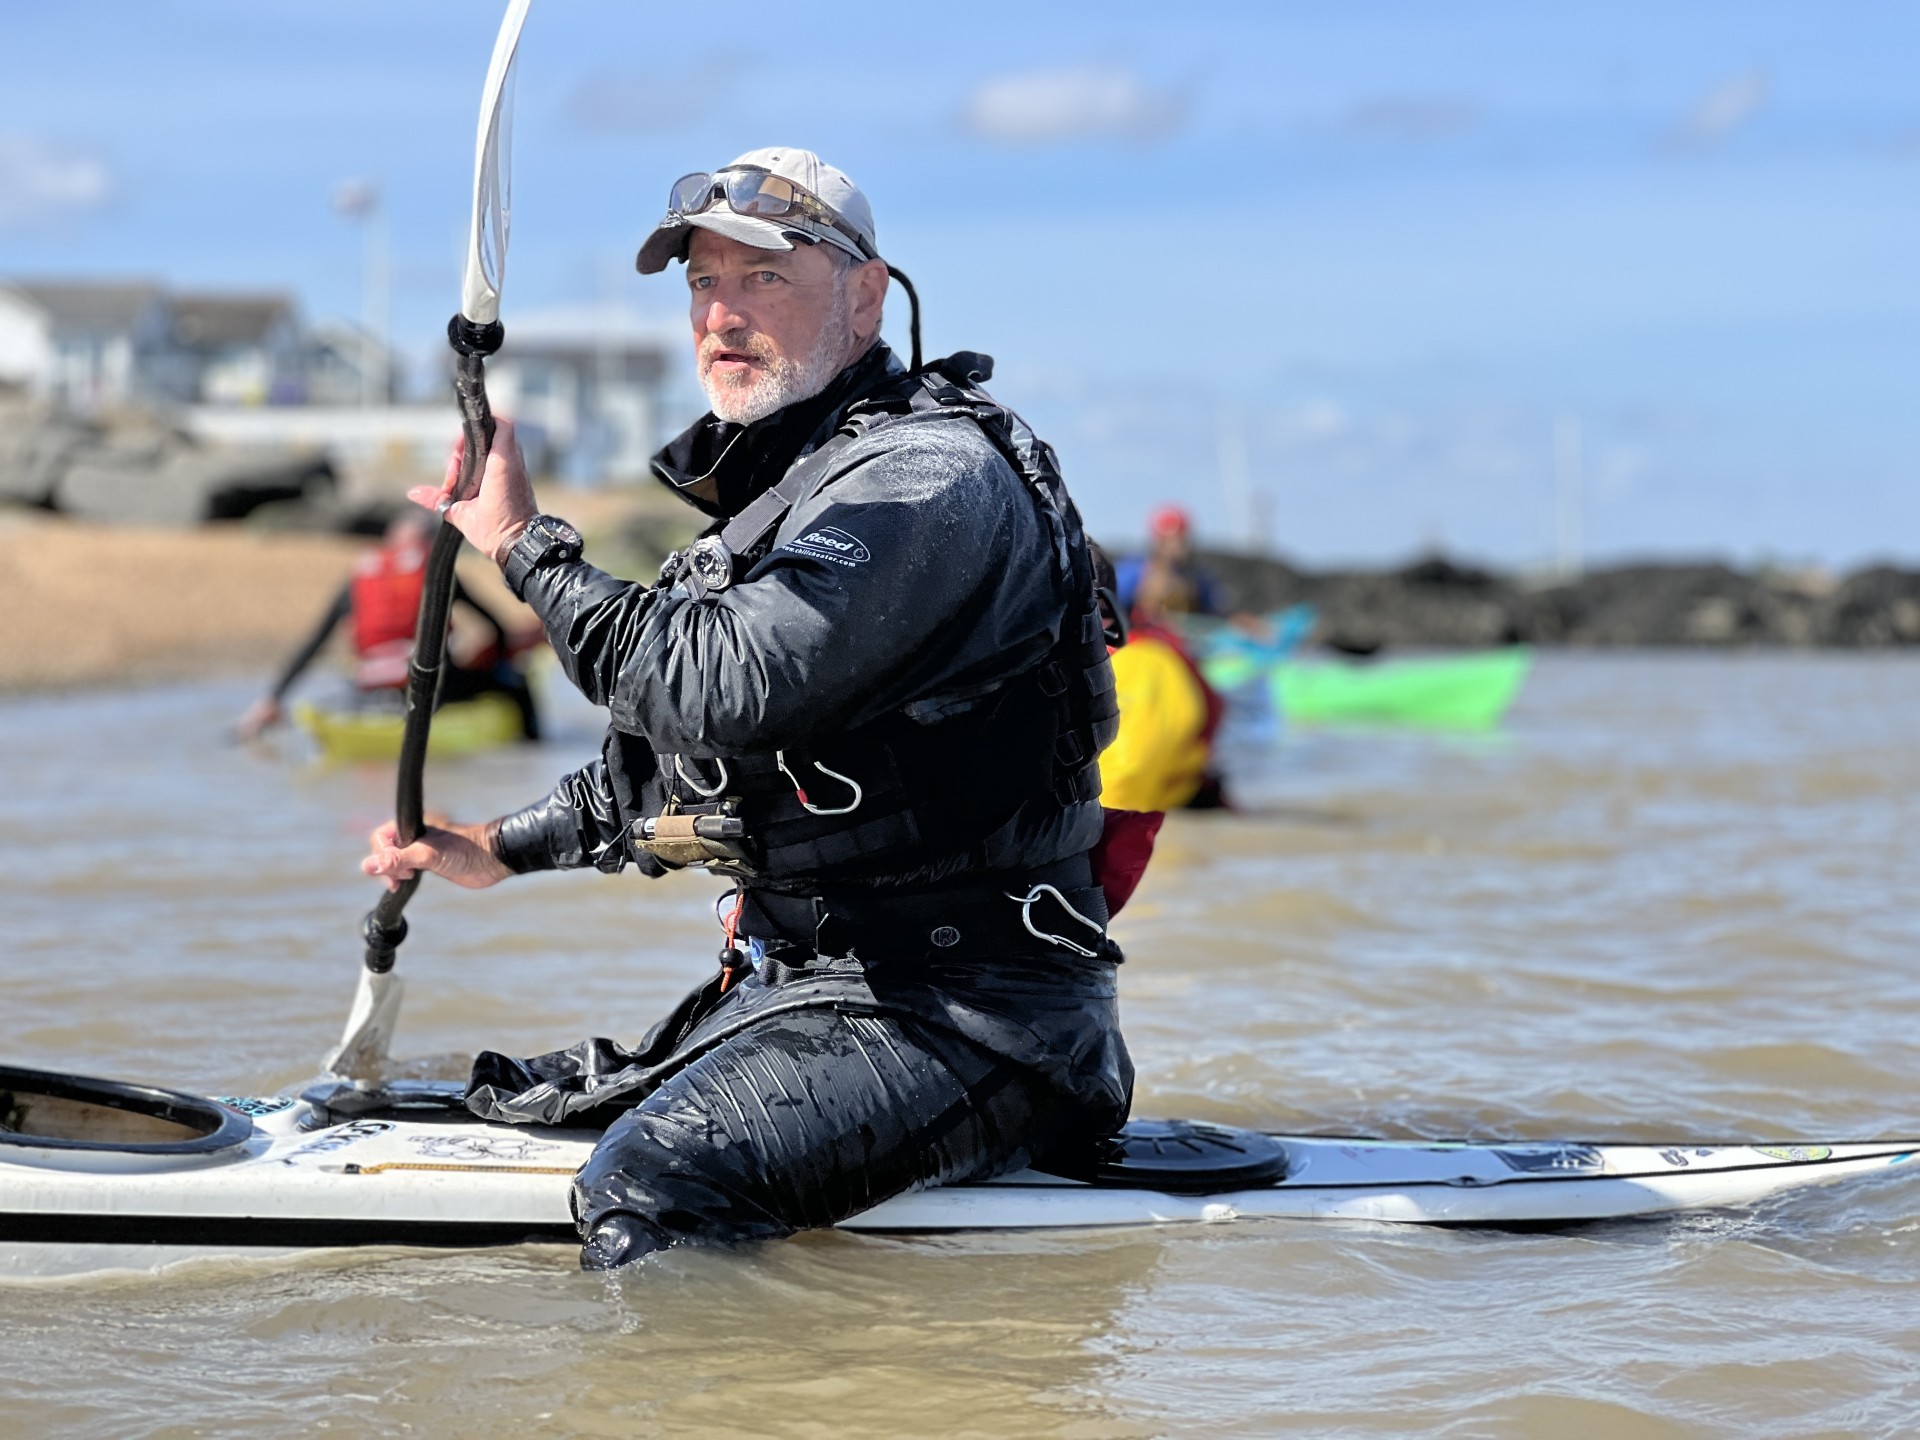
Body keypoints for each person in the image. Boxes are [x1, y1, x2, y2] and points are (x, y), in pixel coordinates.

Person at [361, 148, 1133, 1269]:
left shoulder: (928, 483)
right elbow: (697, 768)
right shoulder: (794, 487)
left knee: (652, 1185)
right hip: (816, 994)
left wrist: (527, 548)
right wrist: (497, 846)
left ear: (866, 296)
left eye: (764, 277)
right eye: (700, 282)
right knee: (506, 1100)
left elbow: (724, 686)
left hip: (978, 1020)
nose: (720, 313)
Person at [235, 509, 541, 741]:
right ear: (431, 543)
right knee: (517, 683)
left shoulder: (362, 575)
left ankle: (277, 706)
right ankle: (535, 745)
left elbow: (315, 641)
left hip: (369, 683)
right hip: (428, 689)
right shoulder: (436, 571)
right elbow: (495, 628)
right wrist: (499, 664)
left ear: (392, 538)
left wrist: (274, 697)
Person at [1114, 505, 1228, 626]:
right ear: (1158, 541)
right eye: (1170, 540)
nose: (1176, 546)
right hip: (1141, 639)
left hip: (1182, 641)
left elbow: (1216, 616)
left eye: (1181, 540)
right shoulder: (1133, 572)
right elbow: (1111, 607)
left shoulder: (1198, 578)